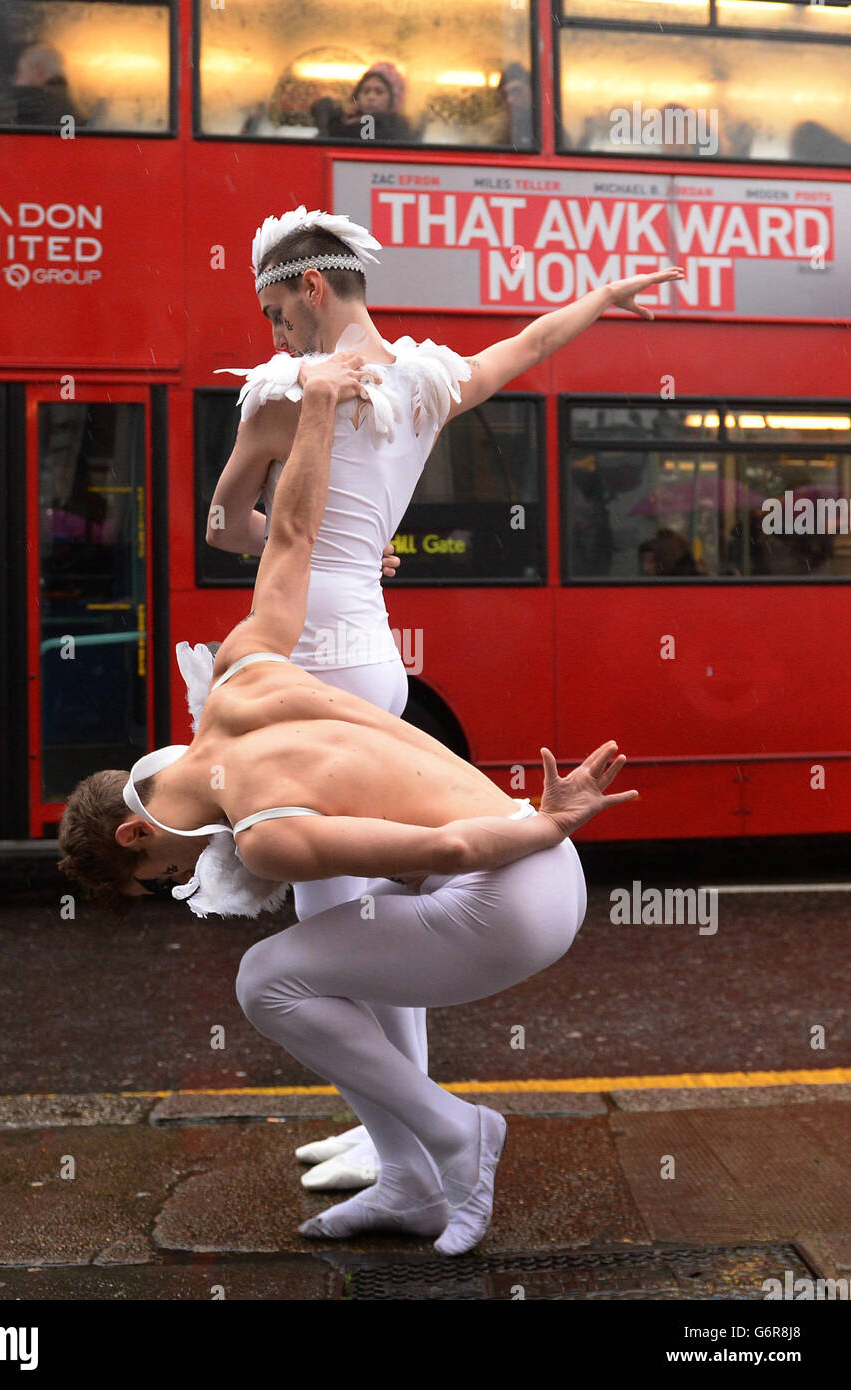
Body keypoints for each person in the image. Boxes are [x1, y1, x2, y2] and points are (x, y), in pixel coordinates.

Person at [58, 353, 638, 1254]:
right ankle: (407, 1182)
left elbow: (444, 855)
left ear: (137, 831)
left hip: (513, 891)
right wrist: (320, 405)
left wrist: (540, 822)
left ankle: (457, 1137)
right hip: (525, 864)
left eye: (161, 876)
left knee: (268, 981)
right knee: (322, 983)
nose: (182, 883)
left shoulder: (263, 838)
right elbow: (293, 538)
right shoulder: (242, 678)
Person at [207, 205, 682, 1189]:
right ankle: (391, 1130)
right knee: (374, 914)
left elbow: (224, 522)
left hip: (304, 663)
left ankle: (399, 1142)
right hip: (376, 661)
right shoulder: (427, 383)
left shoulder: (277, 396)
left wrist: (286, 535)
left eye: (272, 310)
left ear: (309, 288)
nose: (271, 334)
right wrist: (600, 297)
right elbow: (529, 343)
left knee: (329, 922)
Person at [312, 63, 414, 143]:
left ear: (393, 99)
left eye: (379, 92)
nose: (371, 97)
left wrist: (329, 110)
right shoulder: (350, 120)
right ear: (357, 96)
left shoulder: (395, 127)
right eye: (366, 91)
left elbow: (339, 136)